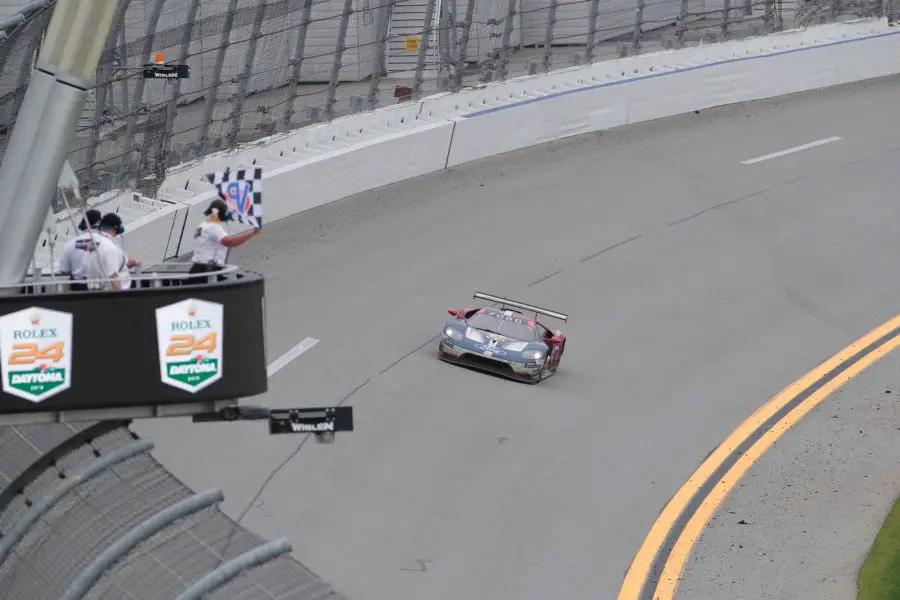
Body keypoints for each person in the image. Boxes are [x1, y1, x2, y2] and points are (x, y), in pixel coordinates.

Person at [188, 198, 259, 283]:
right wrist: (252, 232)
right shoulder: (214, 227)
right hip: (209, 270)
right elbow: (229, 242)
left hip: (199, 267)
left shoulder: (203, 225)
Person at [83, 213, 141, 291]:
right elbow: (113, 275)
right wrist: (118, 297)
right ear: (116, 227)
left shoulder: (95, 242)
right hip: (115, 293)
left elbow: (107, 266)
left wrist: (127, 264)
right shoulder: (110, 246)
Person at [58, 209, 102, 291]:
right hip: (101, 288)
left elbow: (64, 272)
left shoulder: (71, 244)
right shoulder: (106, 242)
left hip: (78, 291)